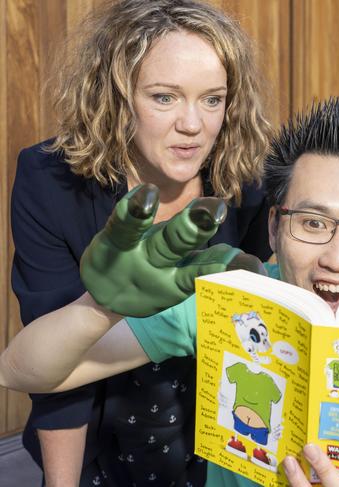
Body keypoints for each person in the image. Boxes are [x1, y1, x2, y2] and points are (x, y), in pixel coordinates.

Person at [1, 97, 339, 487]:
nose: (338, 258)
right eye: (312, 223)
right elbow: (19, 371)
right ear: (274, 227)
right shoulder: (231, 302)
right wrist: (98, 308)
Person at [11, 1, 272, 485]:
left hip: (225, 438)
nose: (193, 125)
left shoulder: (251, 184)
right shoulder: (51, 182)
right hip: (102, 444)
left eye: (212, 100)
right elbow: (53, 368)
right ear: (116, 97)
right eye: (164, 97)